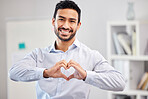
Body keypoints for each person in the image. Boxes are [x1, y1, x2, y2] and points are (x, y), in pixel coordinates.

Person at [9, 0, 125, 99]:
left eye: (72, 21)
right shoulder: (38, 55)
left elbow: (119, 83)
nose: (65, 25)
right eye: (61, 19)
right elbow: (13, 73)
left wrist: (86, 76)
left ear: (78, 25)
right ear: (53, 21)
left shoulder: (91, 55)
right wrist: (45, 73)